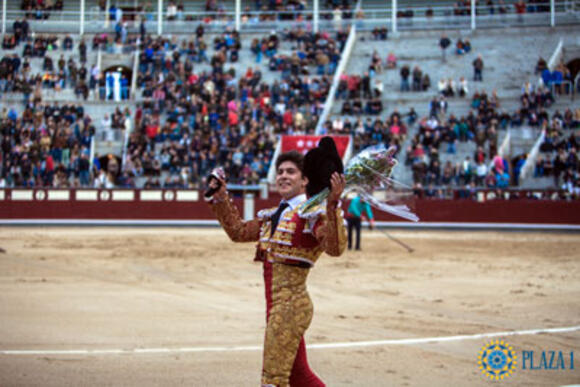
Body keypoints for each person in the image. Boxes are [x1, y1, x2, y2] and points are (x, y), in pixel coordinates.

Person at [207, 144, 347, 387]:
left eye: (290, 172)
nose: (283, 176)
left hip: (290, 308)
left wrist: (332, 205)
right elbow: (239, 232)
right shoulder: (274, 215)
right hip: (277, 308)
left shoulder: (311, 214)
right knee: (299, 375)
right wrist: (221, 196)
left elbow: (334, 248)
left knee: (273, 379)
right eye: (280, 171)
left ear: (305, 180)